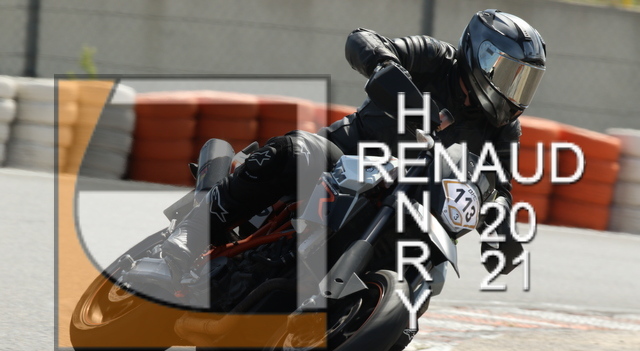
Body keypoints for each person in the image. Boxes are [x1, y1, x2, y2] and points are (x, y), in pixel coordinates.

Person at [161, 9, 547, 281]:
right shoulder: (436, 59)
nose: (515, 92)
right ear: (482, 56)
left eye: (525, 82)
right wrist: (385, 67)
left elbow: (499, 187)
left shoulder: (503, 130)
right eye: (510, 75)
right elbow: (364, 40)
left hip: (407, 202)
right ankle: (193, 233)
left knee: (430, 267)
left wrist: (502, 231)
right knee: (296, 152)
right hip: (345, 156)